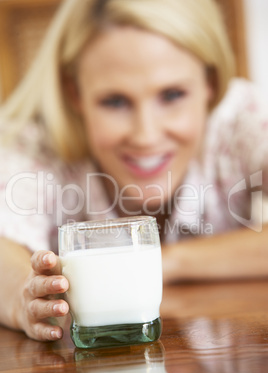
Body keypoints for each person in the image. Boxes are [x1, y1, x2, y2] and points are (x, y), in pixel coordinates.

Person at [0, 0, 268, 342]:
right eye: (115, 101)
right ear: (75, 93)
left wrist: (164, 263)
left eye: (172, 94)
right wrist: (24, 295)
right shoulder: (34, 145)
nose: (146, 135)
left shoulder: (240, 119)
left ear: (210, 83)